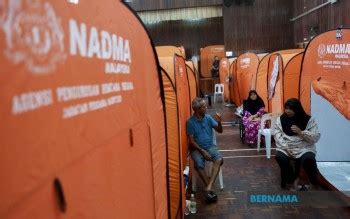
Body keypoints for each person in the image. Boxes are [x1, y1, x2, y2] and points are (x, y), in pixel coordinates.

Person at [274, 98, 321, 190]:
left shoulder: (309, 120)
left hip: (304, 147)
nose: (288, 111)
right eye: (286, 108)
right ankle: (292, 179)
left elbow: (316, 137)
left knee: (309, 159)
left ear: (297, 109)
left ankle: (313, 182)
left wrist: (301, 132)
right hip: (286, 146)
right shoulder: (281, 119)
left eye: (291, 109)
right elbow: (277, 134)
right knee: (280, 157)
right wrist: (285, 147)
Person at [187, 97, 223, 202]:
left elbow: (220, 131)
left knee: (219, 159)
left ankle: (209, 187)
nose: (206, 108)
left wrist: (219, 122)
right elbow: (191, 141)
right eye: (204, 106)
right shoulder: (190, 122)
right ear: (197, 110)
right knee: (198, 163)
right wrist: (202, 151)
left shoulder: (208, 118)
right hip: (196, 149)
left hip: (210, 147)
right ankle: (209, 187)